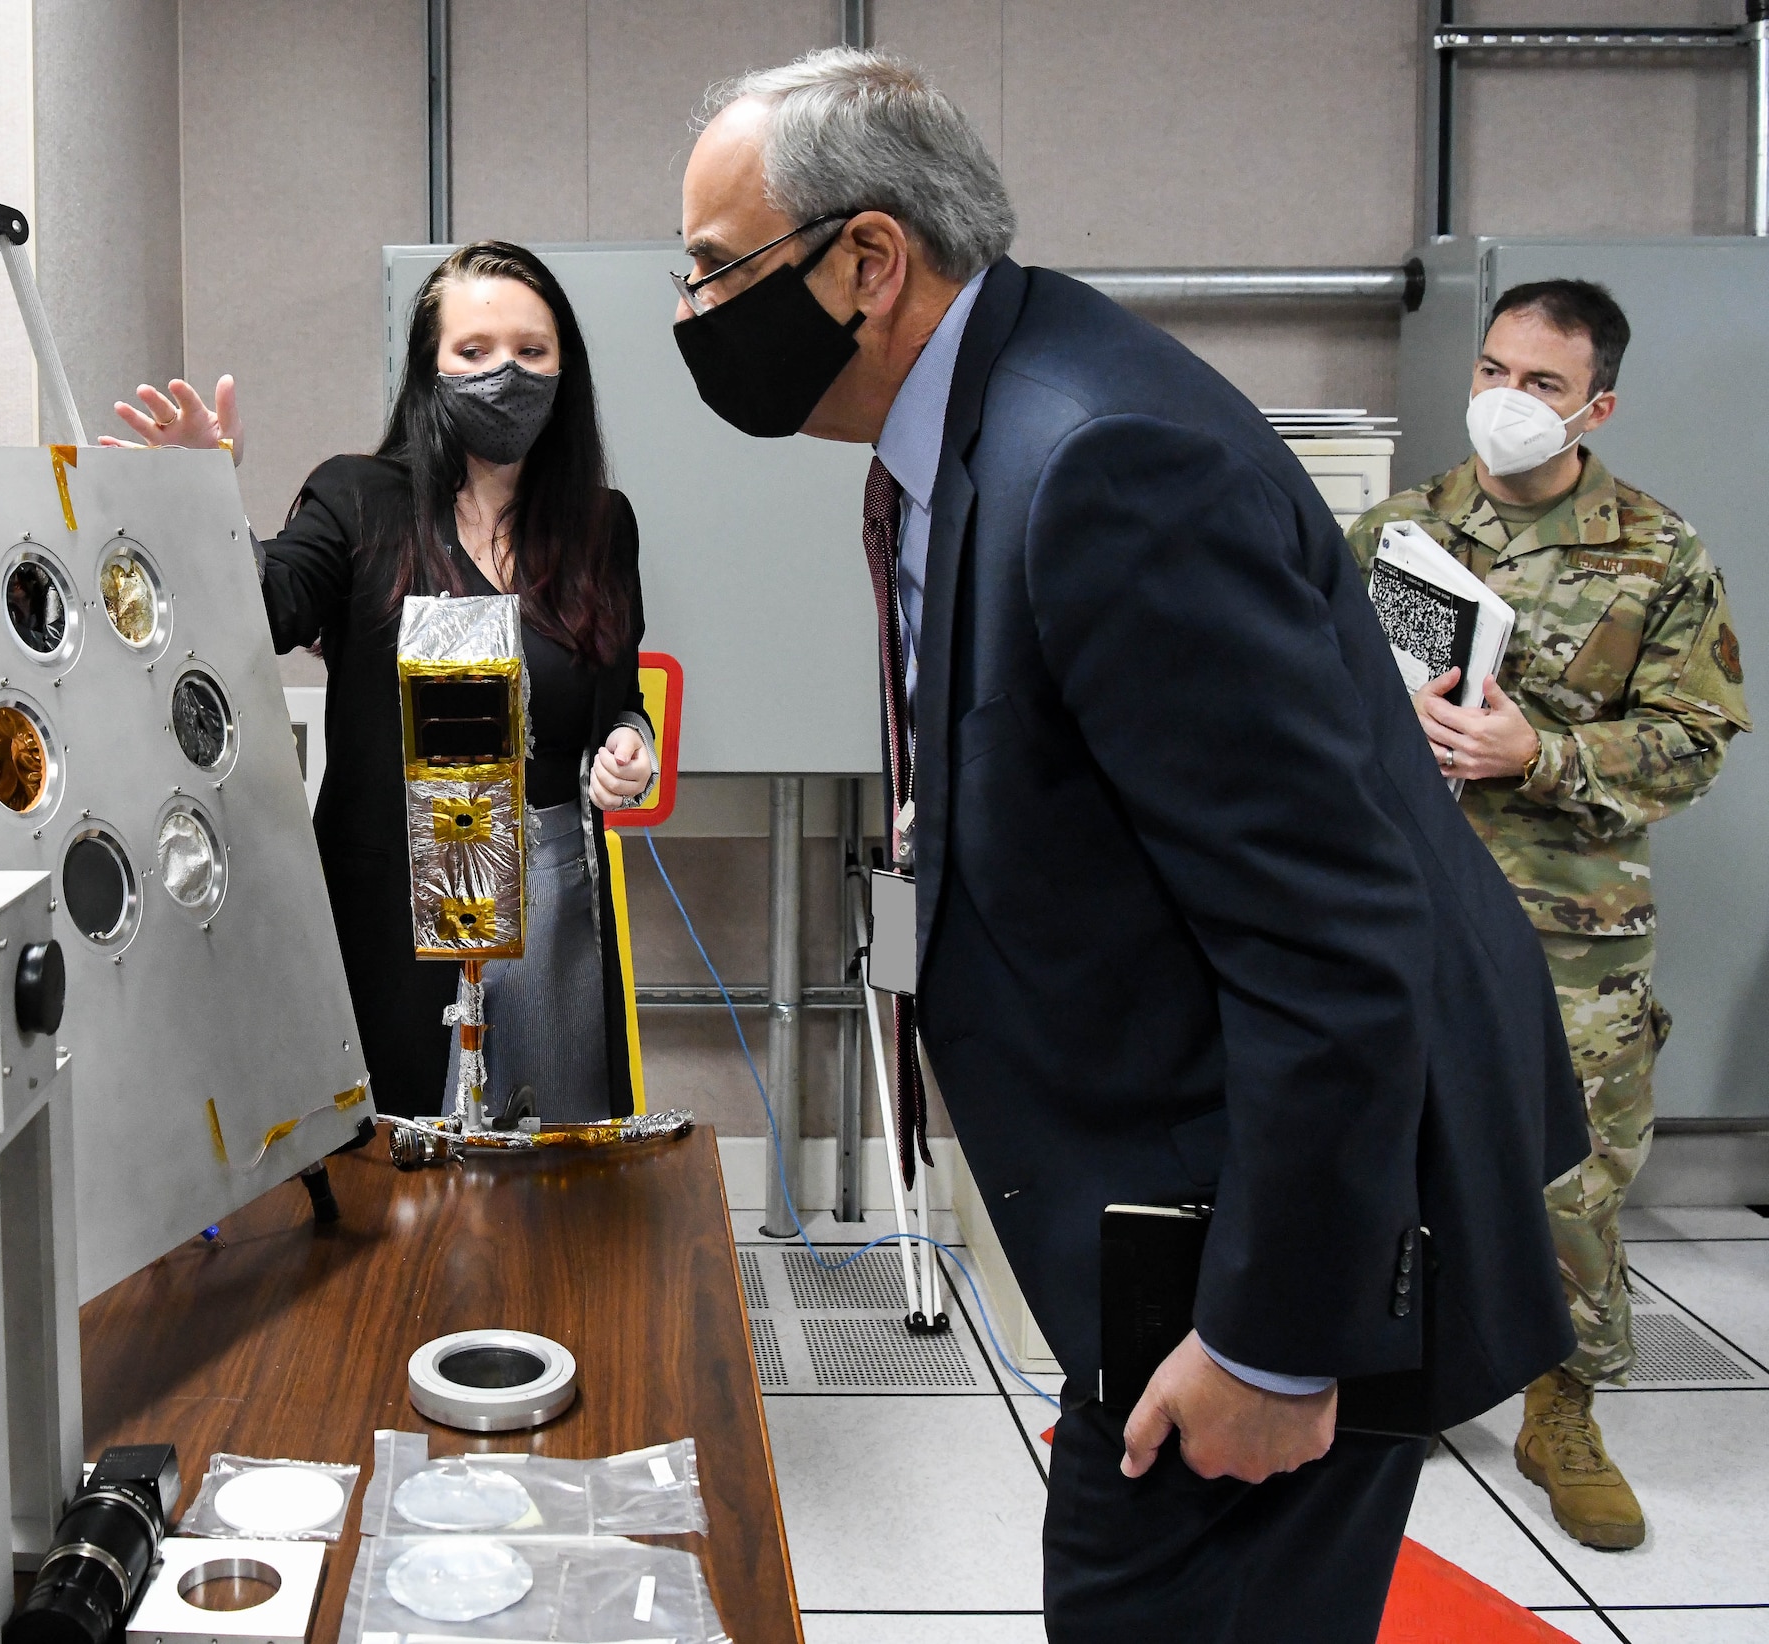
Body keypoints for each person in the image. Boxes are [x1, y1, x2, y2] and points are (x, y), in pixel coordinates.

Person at [672, 48, 1585, 1643]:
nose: (689, 317)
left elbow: (1332, 929)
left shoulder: (1095, 453)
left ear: (868, 262)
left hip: (1287, 1240)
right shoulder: (983, 417)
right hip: (1191, 1192)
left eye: (713, 270)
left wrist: (1275, 1344)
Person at [1347, 280, 1750, 1551]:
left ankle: (1559, 1407)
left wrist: (1541, 753)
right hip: (1403, 897)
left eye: (1539, 385)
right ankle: (1390, 1376)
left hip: (1567, 923)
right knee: (1382, 1142)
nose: (1503, 402)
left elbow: (1693, 743)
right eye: (1490, 371)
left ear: (1596, 405)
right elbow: (1318, 696)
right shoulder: (1396, 535)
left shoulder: (1655, 549)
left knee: (1565, 1178)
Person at [107, 241, 655, 1123]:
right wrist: (200, 491)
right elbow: (265, 609)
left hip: (550, 901)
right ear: (429, 370)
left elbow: (616, 699)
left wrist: (632, 746)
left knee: (549, 1178)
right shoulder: (359, 498)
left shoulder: (600, 525)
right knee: (395, 1176)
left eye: (531, 351)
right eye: (474, 352)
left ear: (565, 369)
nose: (504, 374)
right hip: (389, 900)